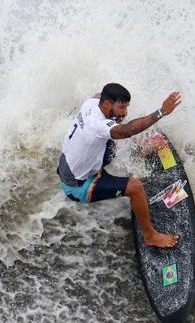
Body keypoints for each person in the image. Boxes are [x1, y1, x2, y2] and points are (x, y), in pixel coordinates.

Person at [57, 82, 182, 248]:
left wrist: (117, 105)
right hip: (78, 185)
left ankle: (142, 146)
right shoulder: (97, 125)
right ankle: (150, 236)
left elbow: (98, 96)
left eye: (126, 107)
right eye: (122, 107)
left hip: (70, 165)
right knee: (135, 188)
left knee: (116, 130)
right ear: (107, 104)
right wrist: (161, 112)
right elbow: (126, 131)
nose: (125, 112)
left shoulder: (92, 103)